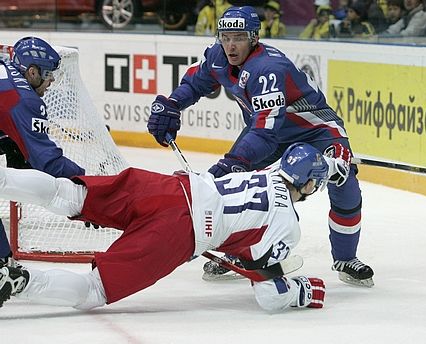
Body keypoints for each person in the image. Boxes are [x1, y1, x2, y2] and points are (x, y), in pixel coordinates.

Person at [147, 6, 374, 287]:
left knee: (345, 181)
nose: (231, 44)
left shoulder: (267, 68)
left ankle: (346, 258)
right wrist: (172, 104)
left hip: (316, 132)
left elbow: (265, 136)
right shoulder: (218, 55)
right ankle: (238, 251)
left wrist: (232, 161)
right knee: (231, 184)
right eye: (225, 36)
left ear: (254, 38)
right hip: (267, 131)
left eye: (239, 37)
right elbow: (195, 83)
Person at [0, 143, 329, 312]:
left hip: (166, 189)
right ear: (311, 184)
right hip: (178, 232)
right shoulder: (287, 225)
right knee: (93, 291)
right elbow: (270, 295)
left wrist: (332, 163)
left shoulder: (269, 170)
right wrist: (300, 291)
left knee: (68, 194)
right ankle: (19, 282)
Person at [0, 36, 85, 267]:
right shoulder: (24, 98)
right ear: (32, 72)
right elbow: (48, 163)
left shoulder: (6, 69)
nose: (51, 81)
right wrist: (88, 183)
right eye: (48, 75)